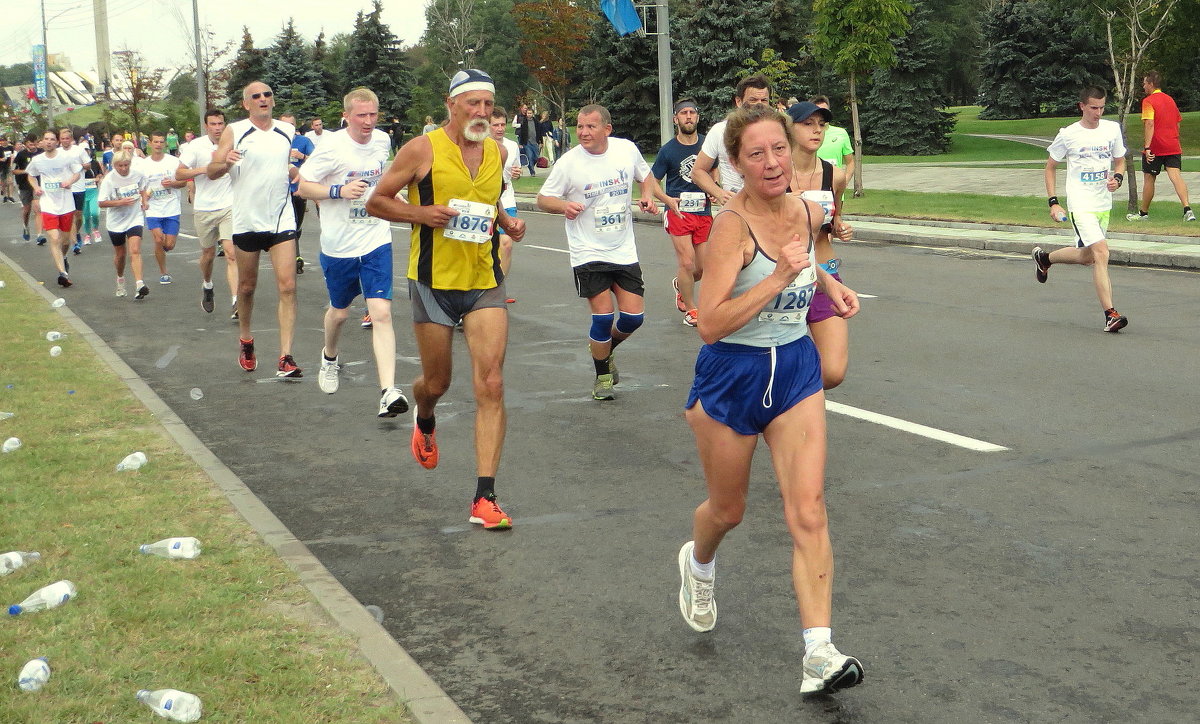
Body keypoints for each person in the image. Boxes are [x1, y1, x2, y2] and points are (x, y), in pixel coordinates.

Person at [675, 103, 863, 696]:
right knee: (727, 510)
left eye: (778, 149)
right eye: (756, 154)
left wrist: (828, 282)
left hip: (795, 371)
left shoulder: (807, 212)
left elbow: (810, 260)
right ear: (736, 164)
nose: (772, 162)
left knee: (808, 511)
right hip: (733, 376)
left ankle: (819, 653)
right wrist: (778, 278)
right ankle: (699, 563)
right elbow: (710, 322)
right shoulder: (732, 226)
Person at [365, 68, 525, 530]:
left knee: (491, 383)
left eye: (487, 105)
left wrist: (509, 223)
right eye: (471, 103)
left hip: (483, 280)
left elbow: (489, 203)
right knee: (437, 383)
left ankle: (485, 497)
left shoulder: (498, 151)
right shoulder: (422, 148)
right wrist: (420, 213)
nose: (481, 112)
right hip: (433, 282)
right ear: (451, 104)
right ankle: (426, 416)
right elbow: (377, 201)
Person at [537, 104, 675, 401]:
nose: (583, 132)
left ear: (607, 130)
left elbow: (646, 175)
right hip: (587, 250)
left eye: (590, 126)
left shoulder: (625, 150)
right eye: (580, 126)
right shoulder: (569, 162)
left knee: (633, 318)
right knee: (602, 318)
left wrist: (648, 196)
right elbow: (543, 199)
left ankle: (603, 349)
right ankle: (602, 376)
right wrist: (564, 206)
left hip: (623, 249)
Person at [298, 87, 411, 418]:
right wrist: (339, 190)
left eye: (373, 115)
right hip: (338, 246)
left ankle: (388, 391)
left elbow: (380, 176)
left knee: (381, 313)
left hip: (375, 239)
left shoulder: (382, 141)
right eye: (361, 115)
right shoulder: (331, 147)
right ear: (345, 115)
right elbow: (303, 186)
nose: (368, 121)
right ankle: (329, 355)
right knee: (340, 313)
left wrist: (391, 195)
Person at [207, 80, 303, 376]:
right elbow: (212, 171)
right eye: (256, 96)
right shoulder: (234, 130)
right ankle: (246, 339)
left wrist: (293, 170)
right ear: (246, 104)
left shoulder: (287, 131)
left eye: (267, 95)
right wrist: (225, 161)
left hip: (280, 218)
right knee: (247, 287)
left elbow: (279, 165)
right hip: (248, 219)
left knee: (288, 286)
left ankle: (285, 356)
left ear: (273, 100)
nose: (263, 99)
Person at [1035, 86, 1129, 333]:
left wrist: (1117, 179)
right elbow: (1050, 167)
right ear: (1082, 106)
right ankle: (1111, 314)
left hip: (1102, 203)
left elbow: (1120, 161)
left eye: (1102, 107)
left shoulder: (1111, 129)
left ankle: (1044, 258)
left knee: (1089, 256)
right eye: (1093, 108)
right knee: (1101, 252)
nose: (1098, 113)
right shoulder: (1069, 134)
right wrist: (1053, 202)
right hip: (1080, 203)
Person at [787, 101, 855, 389]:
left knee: (833, 372)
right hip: (785, 277)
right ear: (789, 128)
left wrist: (839, 226)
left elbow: (835, 215)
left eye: (821, 125)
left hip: (826, 272)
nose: (816, 131)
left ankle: (794, 392)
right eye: (808, 124)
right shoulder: (774, 174)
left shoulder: (835, 175)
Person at [651, 98, 712, 327]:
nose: (688, 116)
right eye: (684, 113)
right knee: (687, 263)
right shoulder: (668, 150)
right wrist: (667, 200)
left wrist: (713, 190)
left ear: (697, 116)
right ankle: (691, 309)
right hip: (678, 213)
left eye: (692, 113)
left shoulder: (707, 146)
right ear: (676, 118)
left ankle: (680, 285)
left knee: (703, 268)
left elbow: (712, 171)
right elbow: (652, 182)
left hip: (703, 212)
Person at [177, 108, 239, 316]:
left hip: (229, 204)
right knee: (208, 254)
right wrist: (205, 169)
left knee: (231, 253)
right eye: (213, 124)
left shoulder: (233, 143)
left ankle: (235, 301)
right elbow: (179, 173)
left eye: (220, 123)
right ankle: (207, 284)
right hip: (204, 207)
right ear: (206, 126)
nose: (217, 128)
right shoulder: (196, 147)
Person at [692, 74, 772, 205]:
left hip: (768, 204)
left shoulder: (777, 131)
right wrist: (719, 193)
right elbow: (698, 171)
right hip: (735, 205)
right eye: (753, 100)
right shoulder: (720, 131)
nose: (759, 105)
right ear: (739, 102)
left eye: (764, 100)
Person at [1127, 71, 1193, 222]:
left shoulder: (1148, 101)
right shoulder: (1170, 100)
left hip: (1156, 146)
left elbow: (1150, 123)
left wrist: (1148, 147)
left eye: (1144, 83)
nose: (1143, 86)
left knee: (1149, 177)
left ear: (1151, 84)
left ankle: (1143, 214)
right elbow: (1177, 122)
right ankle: (1187, 209)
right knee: (1176, 176)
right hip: (1173, 144)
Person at [27, 129, 82, 287]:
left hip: (65, 203)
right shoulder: (37, 160)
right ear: (42, 142)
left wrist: (69, 181)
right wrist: (36, 187)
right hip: (48, 203)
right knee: (54, 238)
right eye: (46, 139)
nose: (49, 142)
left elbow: (77, 172)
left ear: (57, 142)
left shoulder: (66, 157)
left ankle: (63, 259)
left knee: (65, 241)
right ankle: (62, 273)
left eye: (52, 139)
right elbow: (30, 175)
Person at [97, 149, 150, 298]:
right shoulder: (109, 180)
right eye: (120, 166)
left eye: (126, 165)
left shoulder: (137, 175)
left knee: (135, 250)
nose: (123, 168)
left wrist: (145, 201)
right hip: (116, 221)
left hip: (135, 217)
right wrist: (120, 202)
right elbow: (101, 203)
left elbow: (143, 189)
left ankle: (140, 284)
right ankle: (120, 278)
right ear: (114, 165)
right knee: (121, 254)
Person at [141, 132, 187, 285]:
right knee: (158, 239)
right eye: (156, 142)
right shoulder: (144, 164)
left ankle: (163, 249)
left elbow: (183, 182)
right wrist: (144, 198)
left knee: (169, 245)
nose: (158, 145)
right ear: (150, 143)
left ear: (166, 144)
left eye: (161, 142)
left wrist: (172, 184)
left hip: (171, 207)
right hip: (153, 208)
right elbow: (140, 187)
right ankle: (163, 273)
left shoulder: (174, 162)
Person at [490, 106, 523, 284]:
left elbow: (515, 172)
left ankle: (498, 287)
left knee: (506, 244)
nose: (500, 128)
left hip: (507, 200)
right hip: (486, 202)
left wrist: (518, 174)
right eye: (495, 125)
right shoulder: (479, 145)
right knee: (485, 247)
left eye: (503, 124)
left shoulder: (511, 146)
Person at [280, 112, 315, 276]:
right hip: (279, 191)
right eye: (284, 125)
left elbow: (318, 161)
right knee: (288, 225)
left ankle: (293, 250)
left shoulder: (304, 141)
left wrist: (302, 156)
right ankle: (295, 256)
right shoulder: (274, 142)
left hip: (298, 190)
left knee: (296, 225)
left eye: (291, 125)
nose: (288, 129)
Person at [57, 128, 90, 254]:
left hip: (79, 186)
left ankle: (76, 233)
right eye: (62, 139)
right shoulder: (57, 152)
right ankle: (75, 242)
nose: (65, 141)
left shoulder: (79, 150)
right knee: (69, 215)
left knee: (78, 215)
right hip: (65, 188)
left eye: (67, 138)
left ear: (71, 139)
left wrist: (79, 166)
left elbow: (88, 165)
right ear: (60, 140)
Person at [810, 95, 855, 181]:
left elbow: (850, 162)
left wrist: (844, 181)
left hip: (835, 189)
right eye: (818, 112)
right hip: (813, 188)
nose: (822, 115)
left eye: (825, 111)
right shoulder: (806, 135)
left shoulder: (841, 133)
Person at [13, 134, 43, 242]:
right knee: (27, 209)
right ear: (26, 144)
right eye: (31, 144)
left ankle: (40, 235)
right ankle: (25, 226)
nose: (33, 146)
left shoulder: (41, 153)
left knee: (37, 208)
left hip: (37, 184)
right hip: (24, 184)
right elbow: (14, 170)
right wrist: (26, 171)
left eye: (35, 143)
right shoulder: (21, 155)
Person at [514, 103, 540, 176]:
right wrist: (521, 143)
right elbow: (521, 133)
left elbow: (539, 132)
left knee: (536, 157)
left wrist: (540, 141)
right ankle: (532, 171)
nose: (529, 114)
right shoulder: (524, 122)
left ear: (532, 114)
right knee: (530, 156)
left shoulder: (536, 122)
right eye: (528, 113)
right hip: (527, 142)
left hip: (535, 142)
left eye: (530, 113)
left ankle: (531, 165)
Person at [0, 136, 14, 203]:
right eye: (1, 141)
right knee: (3, 183)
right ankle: (5, 195)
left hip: (8, 166)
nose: (3, 142)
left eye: (4, 141)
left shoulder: (10, 147)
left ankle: (10, 196)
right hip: (1, 167)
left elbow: (12, 155)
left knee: (10, 181)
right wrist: (1, 159)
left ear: (6, 141)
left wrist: (11, 163)